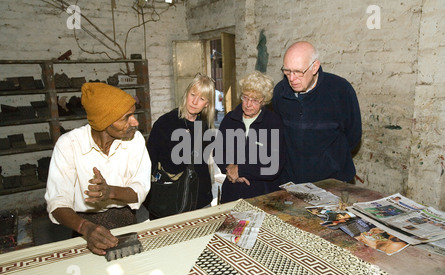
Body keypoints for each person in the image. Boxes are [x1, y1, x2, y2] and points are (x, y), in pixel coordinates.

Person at [45, 82, 151, 256]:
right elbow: (57, 203)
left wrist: (110, 192)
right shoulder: (69, 144)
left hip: (126, 220)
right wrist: (84, 228)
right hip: (83, 227)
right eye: (126, 117)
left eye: (134, 114)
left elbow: (140, 190)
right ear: (104, 121)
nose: (135, 122)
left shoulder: (135, 140)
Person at [273, 41, 362, 184]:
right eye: (287, 71)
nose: (291, 78)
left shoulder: (340, 90)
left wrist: (331, 161)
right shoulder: (280, 92)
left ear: (315, 67)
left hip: (333, 181)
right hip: (291, 182)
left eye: (298, 72)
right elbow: (278, 132)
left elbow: (353, 135)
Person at [145, 73, 215, 219]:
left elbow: (204, 161)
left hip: (201, 199)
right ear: (187, 93)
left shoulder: (204, 124)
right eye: (193, 94)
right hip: (171, 201)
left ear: (207, 104)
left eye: (201, 98)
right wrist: (150, 199)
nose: (195, 101)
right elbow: (148, 163)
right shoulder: (165, 123)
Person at [216, 71, 285, 203]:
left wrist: (241, 170)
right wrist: (230, 169)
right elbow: (219, 152)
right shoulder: (230, 119)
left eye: (255, 100)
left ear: (264, 101)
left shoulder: (273, 122)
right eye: (246, 98)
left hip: (262, 195)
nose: (248, 104)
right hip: (232, 191)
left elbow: (274, 164)